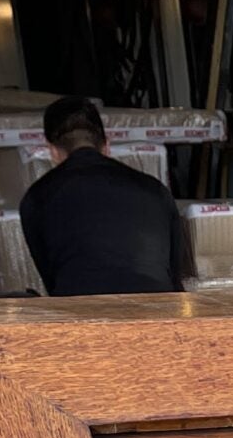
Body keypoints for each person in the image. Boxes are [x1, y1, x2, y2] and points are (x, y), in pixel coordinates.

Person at [18, 94, 186, 297]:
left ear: (52, 151)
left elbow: (51, 280)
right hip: (158, 316)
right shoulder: (154, 190)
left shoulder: (37, 198)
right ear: (107, 146)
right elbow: (175, 274)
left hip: (84, 319)